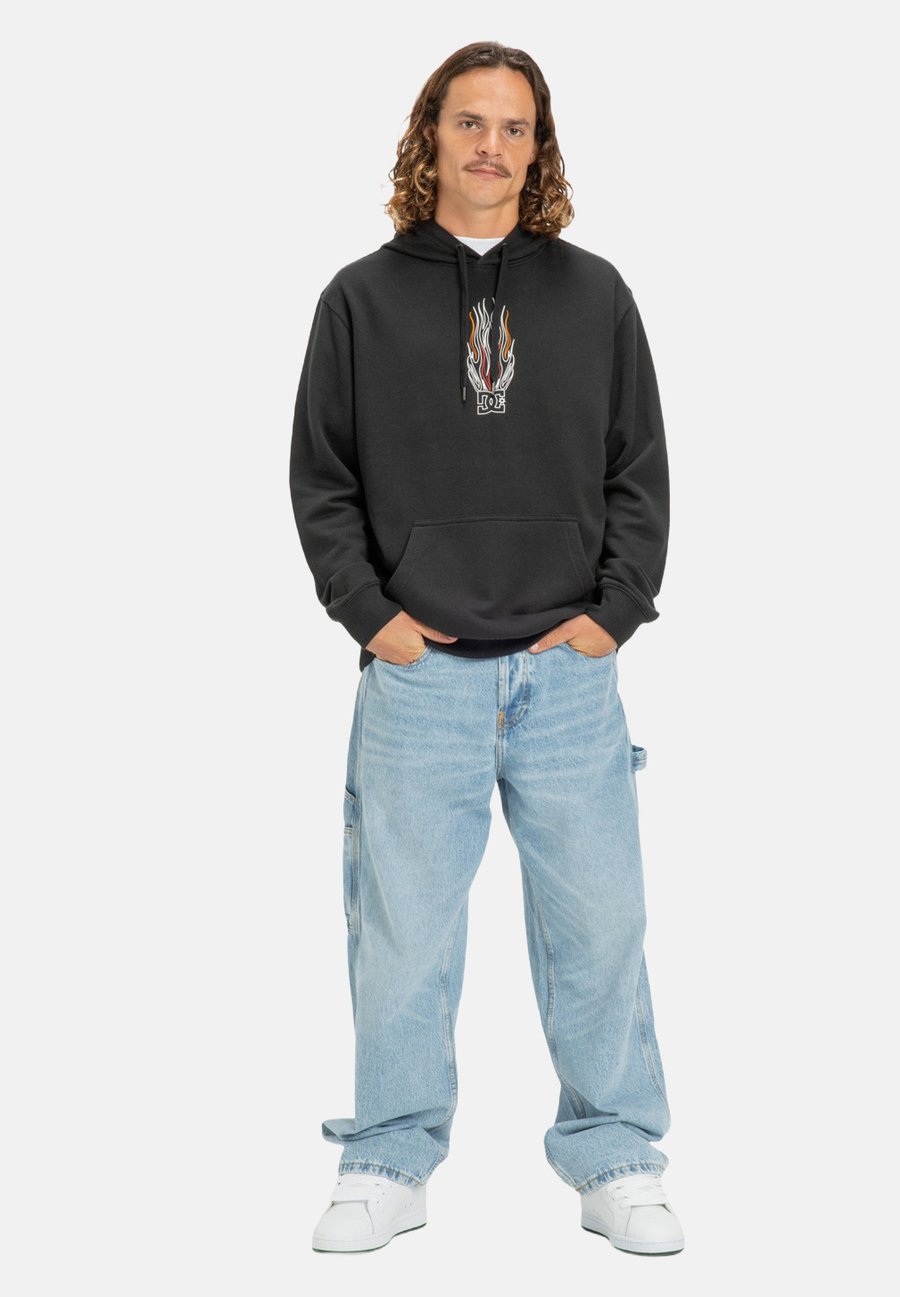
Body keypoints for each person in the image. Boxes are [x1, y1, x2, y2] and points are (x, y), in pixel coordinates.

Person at [290, 41, 684, 1256]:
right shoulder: (359, 299)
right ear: (431, 135)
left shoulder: (596, 294)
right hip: (420, 679)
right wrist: (372, 617)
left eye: (516, 127)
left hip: (568, 675)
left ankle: (615, 1153)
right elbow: (322, 478)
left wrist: (614, 613)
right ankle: (389, 1157)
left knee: (600, 928)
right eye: (471, 122)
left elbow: (637, 469)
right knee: (403, 935)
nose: (492, 147)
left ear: (538, 147)